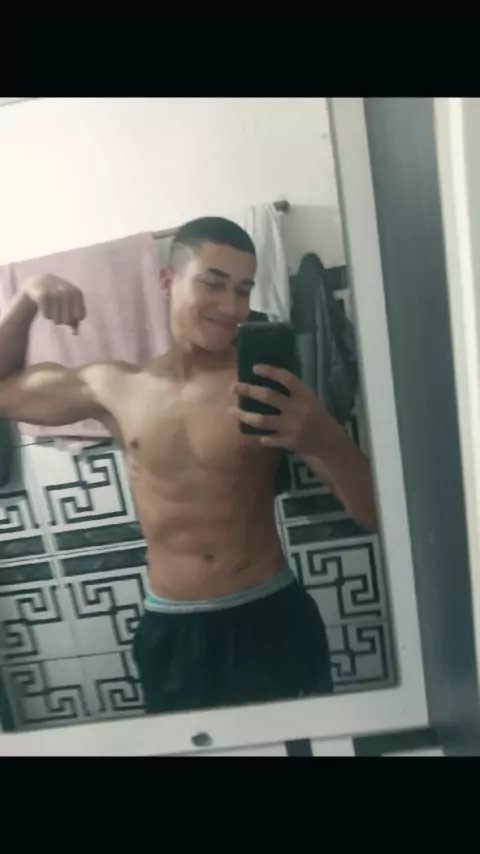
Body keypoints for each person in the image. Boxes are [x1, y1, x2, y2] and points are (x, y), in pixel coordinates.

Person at [0, 217, 377, 714]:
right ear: (166, 280)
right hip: (173, 629)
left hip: (271, 616)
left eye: (243, 290)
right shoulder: (116, 387)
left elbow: (375, 515)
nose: (232, 307)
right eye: (212, 283)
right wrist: (27, 298)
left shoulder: (269, 388)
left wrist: (323, 436)